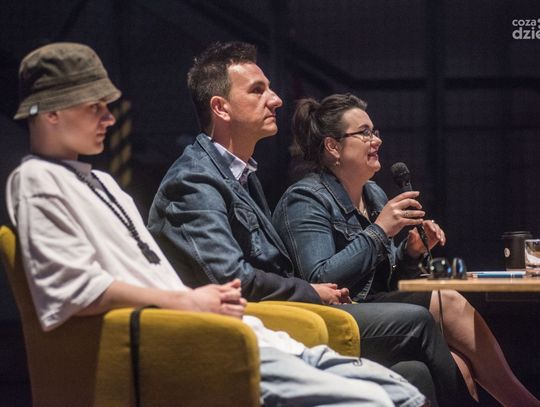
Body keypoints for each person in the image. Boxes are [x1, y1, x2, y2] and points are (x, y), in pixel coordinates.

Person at [6, 42, 432, 407]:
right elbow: (73, 287)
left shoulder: (100, 181)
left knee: (403, 390)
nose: (110, 118)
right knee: (385, 396)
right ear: (52, 113)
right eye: (94, 107)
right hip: (189, 337)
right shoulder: (36, 180)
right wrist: (186, 301)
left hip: (238, 326)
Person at [147, 41, 475, 407]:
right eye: (257, 90)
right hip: (237, 328)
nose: (276, 100)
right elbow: (231, 278)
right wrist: (310, 290)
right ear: (220, 108)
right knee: (419, 321)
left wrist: (407, 253)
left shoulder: (241, 175)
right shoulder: (195, 179)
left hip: (277, 313)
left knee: (414, 371)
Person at [272, 93, 540, 407]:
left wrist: (410, 252)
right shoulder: (306, 198)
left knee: (451, 363)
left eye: (375, 131)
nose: (377, 140)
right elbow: (319, 278)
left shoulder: (372, 193)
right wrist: (380, 230)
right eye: (365, 133)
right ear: (333, 146)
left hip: (372, 305)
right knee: (448, 304)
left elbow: (383, 280)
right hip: (332, 314)